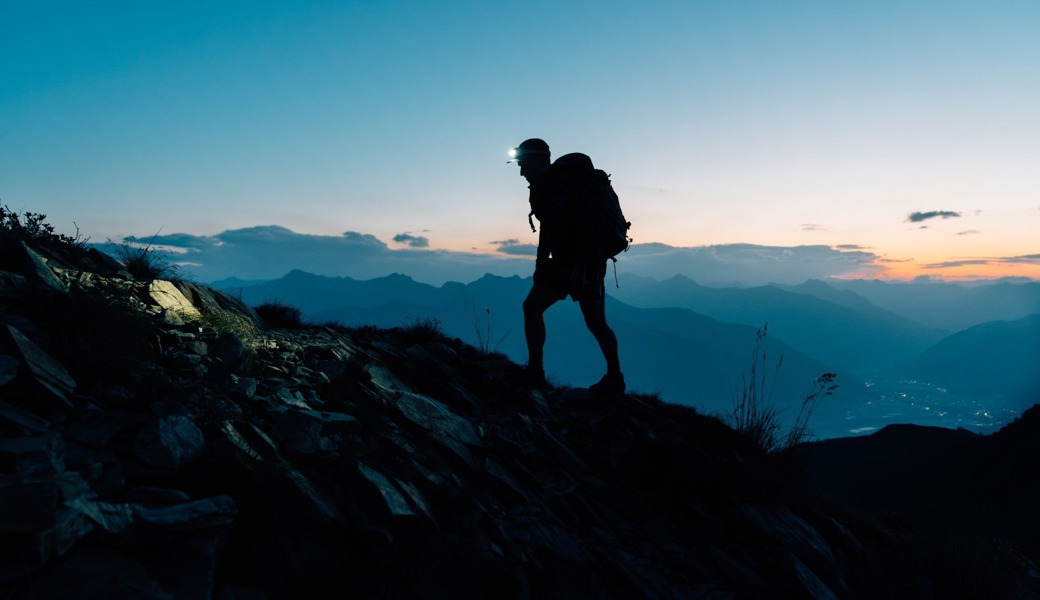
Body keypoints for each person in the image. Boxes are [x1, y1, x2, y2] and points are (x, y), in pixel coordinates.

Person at [508, 138, 625, 394]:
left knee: (595, 322)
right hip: (561, 261)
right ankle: (536, 372)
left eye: (525, 165)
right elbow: (546, 229)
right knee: (531, 307)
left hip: (587, 262)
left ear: (541, 161)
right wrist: (541, 264)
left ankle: (615, 376)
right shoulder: (539, 189)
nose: (521, 172)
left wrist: (582, 269)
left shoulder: (568, 185)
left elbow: (591, 228)